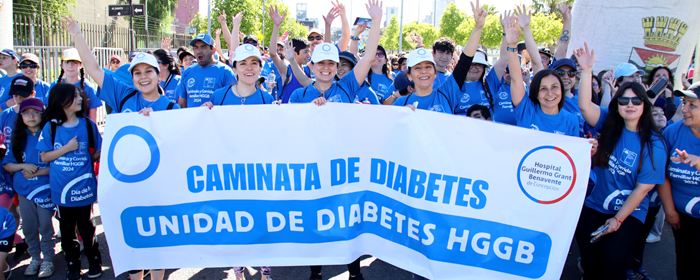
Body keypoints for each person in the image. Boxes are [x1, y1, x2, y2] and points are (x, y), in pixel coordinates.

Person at [575, 44, 667, 280]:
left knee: (611, 259)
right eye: (624, 101)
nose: (630, 106)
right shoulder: (608, 122)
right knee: (589, 257)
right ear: (616, 103)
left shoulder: (654, 143)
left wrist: (617, 220)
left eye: (636, 101)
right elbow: (585, 106)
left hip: (630, 211)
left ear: (645, 105)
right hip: (595, 204)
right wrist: (587, 72)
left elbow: (643, 188)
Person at [38, 82, 103, 280]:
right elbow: (44, 157)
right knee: (66, 229)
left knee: (86, 226)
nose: (80, 99)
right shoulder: (51, 127)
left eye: (79, 95)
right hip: (61, 189)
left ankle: (94, 260)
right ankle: (72, 264)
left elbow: (97, 152)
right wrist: (66, 149)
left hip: (84, 188)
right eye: (74, 96)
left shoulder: (88, 125)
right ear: (61, 100)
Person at [392, 0, 486, 115]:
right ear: (409, 75)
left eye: (428, 66)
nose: (424, 71)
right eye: (417, 68)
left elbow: (464, 63)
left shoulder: (446, 94)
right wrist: (402, 116)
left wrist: (478, 27)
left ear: (435, 72)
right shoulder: (400, 104)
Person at [288, 0, 382, 106]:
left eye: (331, 63)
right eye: (321, 63)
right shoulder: (298, 95)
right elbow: (293, 121)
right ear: (312, 66)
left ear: (337, 68)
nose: (326, 67)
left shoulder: (347, 86)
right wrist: (311, 109)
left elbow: (368, 58)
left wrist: (376, 21)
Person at [3, 98, 55, 278]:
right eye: (26, 113)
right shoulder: (18, 139)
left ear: (43, 114)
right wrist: (23, 166)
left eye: (35, 112)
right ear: (21, 116)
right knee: (30, 228)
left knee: (46, 226)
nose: (31, 116)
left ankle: (48, 259)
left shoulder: (50, 135)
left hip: (45, 190)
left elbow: (58, 166)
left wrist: (37, 173)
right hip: (25, 191)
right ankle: (35, 258)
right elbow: (8, 165)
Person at [654, 82, 700, 280]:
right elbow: (661, 174)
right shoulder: (673, 132)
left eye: (692, 105)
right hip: (682, 216)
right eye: (684, 103)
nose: (685, 109)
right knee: (684, 261)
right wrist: (670, 211)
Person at [503, 16, 578, 136]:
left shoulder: (571, 121)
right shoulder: (526, 111)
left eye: (554, 87)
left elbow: (573, 153)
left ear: (562, 90)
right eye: (543, 89)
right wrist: (512, 46)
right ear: (536, 93)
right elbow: (516, 79)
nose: (550, 93)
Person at [203, 44, 275, 107]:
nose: (249, 68)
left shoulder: (267, 100)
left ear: (260, 68)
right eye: (243, 63)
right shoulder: (218, 96)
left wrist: (281, 110)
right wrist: (202, 111)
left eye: (254, 63)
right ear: (234, 69)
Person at [176, 33, 236, 108]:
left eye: (203, 47)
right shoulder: (187, 72)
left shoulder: (226, 72)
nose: (199, 51)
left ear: (213, 50)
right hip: (193, 119)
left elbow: (232, 103)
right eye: (196, 47)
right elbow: (182, 104)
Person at [268, 6, 312, 103]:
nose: (308, 55)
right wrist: (276, 25)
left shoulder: (308, 69)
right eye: (305, 52)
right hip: (287, 116)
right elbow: (272, 53)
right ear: (294, 52)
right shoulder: (286, 70)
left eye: (309, 52)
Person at [49, 48, 103, 122]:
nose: (70, 66)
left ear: (81, 65)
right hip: (59, 129)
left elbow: (93, 117)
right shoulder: (54, 86)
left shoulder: (88, 87)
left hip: (82, 130)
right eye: (67, 62)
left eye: (74, 62)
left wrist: (92, 132)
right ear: (62, 65)